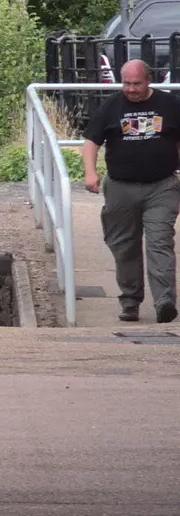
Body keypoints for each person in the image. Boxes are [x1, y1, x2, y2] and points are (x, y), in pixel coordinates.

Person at [82, 58, 180, 322]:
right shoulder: (111, 106)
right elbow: (91, 141)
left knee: (160, 242)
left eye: (136, 83)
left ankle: (164, 302)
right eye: (126, 83)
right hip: (120, 188)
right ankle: (130, 301)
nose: (131, 89)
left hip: (162, 187)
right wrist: (90, 172)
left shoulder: (169, 104)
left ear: (149, 80)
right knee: (125, 247)